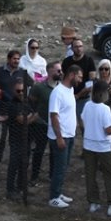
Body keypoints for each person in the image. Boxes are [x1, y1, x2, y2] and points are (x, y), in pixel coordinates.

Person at [80, 82, 111, 218]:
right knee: (110, 174)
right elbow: (108, 130)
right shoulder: (105, 109)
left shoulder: (87, 105)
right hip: (103, 146)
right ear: (102, 93)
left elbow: (82, 120)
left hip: (89, 144)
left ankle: (93, 202)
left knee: (91, 174)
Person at [47, 65, 80, 208]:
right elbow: (54, 115)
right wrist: (59, 137)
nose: (80, 79)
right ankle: (53, 197)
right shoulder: (57, 92)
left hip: (70, 134)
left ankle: (58, 192)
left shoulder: (70, 90)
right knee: (59, 168)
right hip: (60, 136)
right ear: (72, 75)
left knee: (64, 166)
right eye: (79, 76)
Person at [0, 49, 32, 162]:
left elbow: (32, 85)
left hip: (17, 110)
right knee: (1, 137)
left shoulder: (23, 72)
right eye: (14, 58)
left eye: (18, 59)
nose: (16, 61)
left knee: (15, 137)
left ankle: (14, 158)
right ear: (8, 59)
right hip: (2, 108)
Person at [2, 78, 37, 200]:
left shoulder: (27, 102)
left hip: (27, 138)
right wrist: (35, 116)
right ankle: (10, 190)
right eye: (18, 90)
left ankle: (21, 187)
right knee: (14, 164)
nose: (21, 92)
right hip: (16, 139)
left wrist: (31, 115)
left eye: (23, 90)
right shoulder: (13, 104)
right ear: (13, 90)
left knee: (25, 163)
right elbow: (22, 120)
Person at [28, 61, 61, 186]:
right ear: (49, 71)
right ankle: (34, 176)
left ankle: (52, 176)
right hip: (41, 124)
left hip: (55, 125)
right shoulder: (39, 87)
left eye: (61, 70)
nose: (60, 73)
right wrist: (36, 116)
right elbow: (31, 103)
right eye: (57, 70)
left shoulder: (61, 88)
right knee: (39, 151)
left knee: (54, 152)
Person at [67, 38, 97, 105]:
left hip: (84, 98)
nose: (79, 49)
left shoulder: (89, 61)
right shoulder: (67, 61)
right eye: (76, 47)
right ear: (72, 48)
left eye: (80, 46)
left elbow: (91, 81)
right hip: (68, 97)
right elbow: (64, 79)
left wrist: (78, 95)